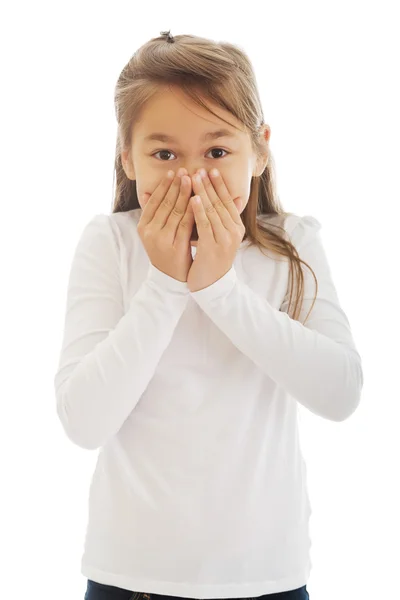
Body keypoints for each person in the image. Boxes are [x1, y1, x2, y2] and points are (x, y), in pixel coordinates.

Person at [54, 31, 363, 600]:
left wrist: (221, 289)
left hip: (267, 578)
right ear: (127, 155)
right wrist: (166, 284)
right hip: (131, 579)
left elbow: (341, 393)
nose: (192, 178)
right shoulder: (111, 244)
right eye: (164, 154)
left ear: (260, 149)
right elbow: (83, 421)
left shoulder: (292, 243)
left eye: (217, 152)